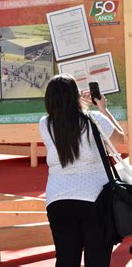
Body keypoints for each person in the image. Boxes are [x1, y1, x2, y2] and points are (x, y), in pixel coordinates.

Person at [40, 74, 124, 267]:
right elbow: (120, 139)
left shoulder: (44, 124)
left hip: (57, 199)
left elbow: (66, 125)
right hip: (96, 199)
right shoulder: (94, 120)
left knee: (66, 260)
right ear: (75, 95)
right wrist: (102, 108)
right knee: (97, 260)